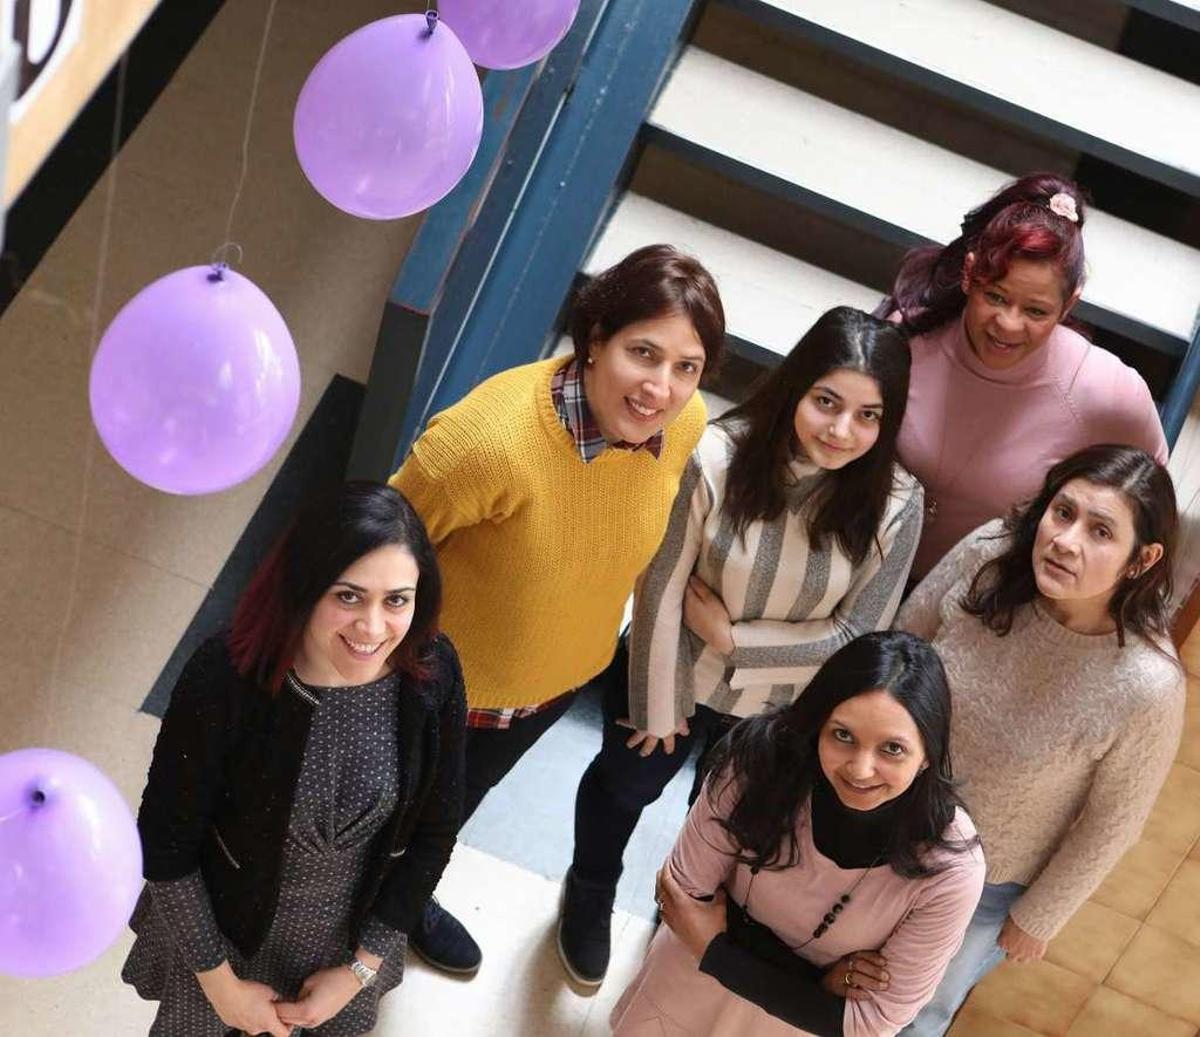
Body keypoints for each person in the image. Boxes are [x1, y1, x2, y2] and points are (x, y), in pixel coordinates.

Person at [562, 306, 925, 985]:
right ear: (795, 388)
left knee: (724, 828)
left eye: (869, 415)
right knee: (625, 784)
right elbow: (663, 586)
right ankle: (587, 890)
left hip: (778, 713)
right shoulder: (717, 456)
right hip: (670, 672)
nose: (843, 430)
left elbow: (855, 638)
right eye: (827, 402)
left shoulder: (898, 503)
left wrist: (732, 637)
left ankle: (676, 925)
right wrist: (655, 703)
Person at [388, 244, 724, 974]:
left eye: (686, 366)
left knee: (447, 818)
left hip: (551, 681)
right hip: (439, 692)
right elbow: (371, 556)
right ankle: (354, 941)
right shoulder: (485, 445)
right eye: (644, 352)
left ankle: (402, 904)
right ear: (596, 336)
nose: (662, 387)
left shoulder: (685, 424)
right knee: (382, 825)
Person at [121, 483, 465, 1037]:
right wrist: (224, 989)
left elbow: (436, 827)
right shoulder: (227, 677)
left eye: (396, 600)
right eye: (348, 596)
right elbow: (166, 846)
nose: (373, 629)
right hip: (223, 937)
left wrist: (359, 969)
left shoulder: (432, 672)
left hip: (345, 945)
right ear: (303, 587)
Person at [895, 444, 1184, 1035]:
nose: (1066, 540)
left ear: (1141, 558)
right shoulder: (989, 556)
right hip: (880, 818)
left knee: (916, 1015)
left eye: (1101, 531)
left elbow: (1113, 823)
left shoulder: (1148, 684)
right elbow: (898, 654)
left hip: (985, 884)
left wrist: (1041, 917)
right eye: (1063, 512)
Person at [610, 630, 986, 1036]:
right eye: (843, 735)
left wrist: (714, 948)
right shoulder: (759, 761)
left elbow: (871, 1024)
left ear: (928, 753)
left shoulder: (951, 868)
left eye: (892, 749)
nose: (860, 769)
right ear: (818, 725)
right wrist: (818, 984)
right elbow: (678, 896)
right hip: (683, 993)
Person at [881, 172, 1167, 580]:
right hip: (860, 575)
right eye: (995, 297)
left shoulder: (1105, 390)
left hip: (984, 606)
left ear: (1069, 305)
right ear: (969, 273)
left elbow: (1148, 500)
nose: (1008, 325)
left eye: (1036, 311)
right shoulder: (909, 336)